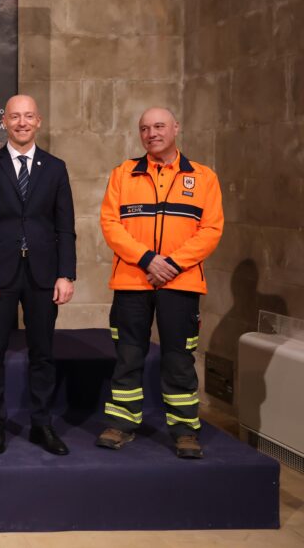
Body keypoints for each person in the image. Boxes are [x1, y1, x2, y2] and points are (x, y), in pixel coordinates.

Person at [97, 107, 223, 459]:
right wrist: (147, 259)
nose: (151, 133)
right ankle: (121, 425)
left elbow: (211, 230)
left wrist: (172, 264)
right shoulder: (123, 174)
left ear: (175, 128)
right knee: (127, 355)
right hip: (131, 281)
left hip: (181, 283)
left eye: (159, 126)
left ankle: (185, 431)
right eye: (145, 128)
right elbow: (110, 224)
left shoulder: (203, 177)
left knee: (179, 359)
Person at [0, 94, 76, 456]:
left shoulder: (55, 168)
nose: (22, 123)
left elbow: (65, 227)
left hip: (44, 275)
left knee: (43, 353)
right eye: (15, 117)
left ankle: (42, 424)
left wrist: (66, 274)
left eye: (28, 116)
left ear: (38, 121)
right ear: (4, 121)